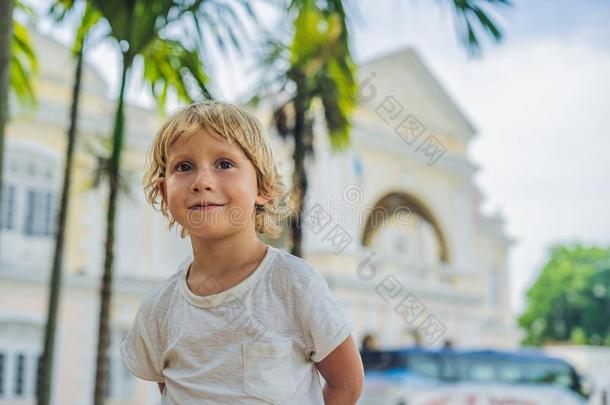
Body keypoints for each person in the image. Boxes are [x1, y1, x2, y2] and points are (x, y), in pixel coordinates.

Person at [120, 101, 364, 404]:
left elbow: (347, 383)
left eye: (224, 164)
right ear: (164, 192)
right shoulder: (159, 308)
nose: (202, 182)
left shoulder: (295, 284)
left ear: (264, 187)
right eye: (184, 167)